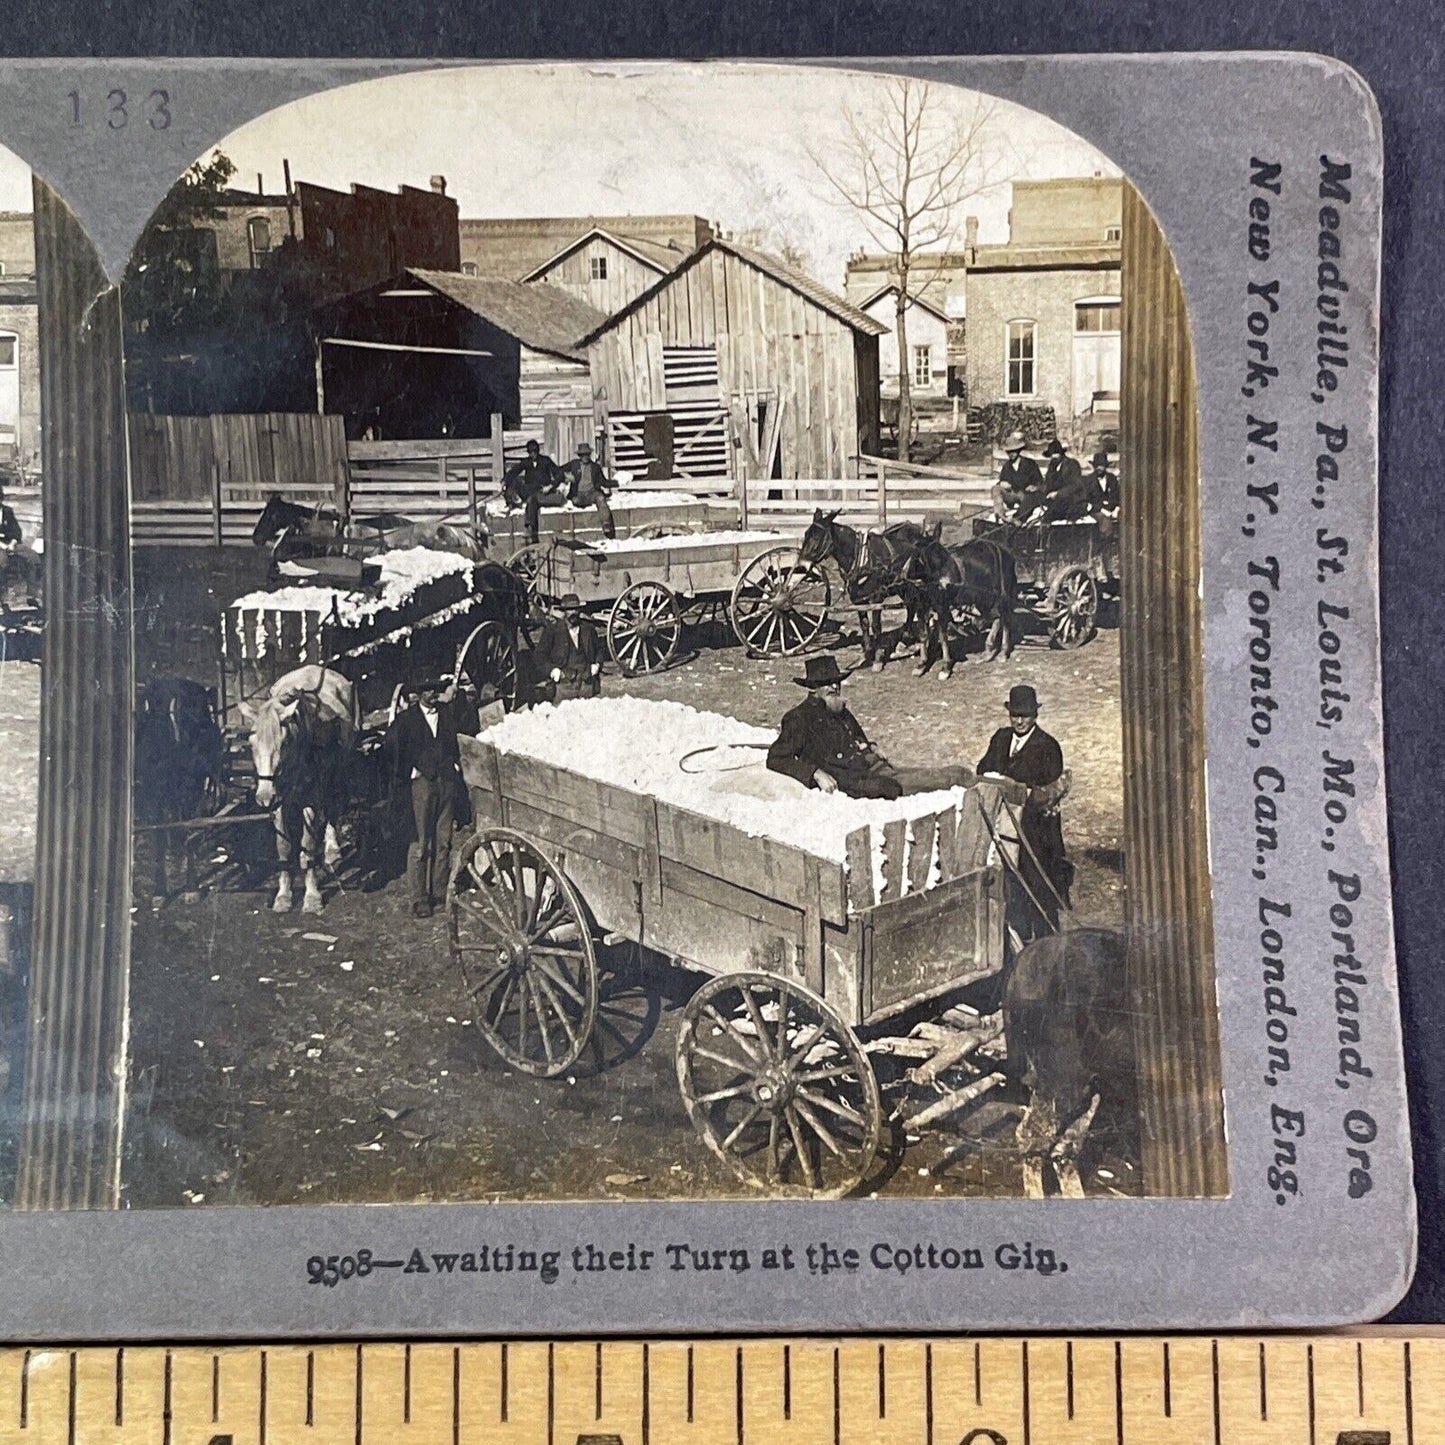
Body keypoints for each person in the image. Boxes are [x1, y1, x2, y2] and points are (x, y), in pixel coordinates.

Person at [767, 654, 974, 800]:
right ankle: (990, 787)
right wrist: (815, 773)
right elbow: (776, 758)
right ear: (812, 687)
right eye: (826, 683)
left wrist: (872, 747)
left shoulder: (838, 708)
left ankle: (991, 783)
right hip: (859, 779)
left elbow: (858, 739)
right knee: (948, 779)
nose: (834, 687)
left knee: (952, 772)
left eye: (836, 682)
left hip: (876, 767)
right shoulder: (799, 718)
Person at [976, 684, 1072, 943]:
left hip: (1035, 833)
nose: (1019, 720)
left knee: (1038, 890)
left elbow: (1048, 795)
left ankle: (1047, 944)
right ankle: (1018, 940)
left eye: (1025, 715)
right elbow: (983, 769)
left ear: (1035, 715)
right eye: (1015, 714)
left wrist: (1021, 792)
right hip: (1005, 828)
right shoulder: (1000, 739)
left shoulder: (1048, 746)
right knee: (1010, 887)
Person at [385, 674, 480, 919]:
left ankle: (438, 893)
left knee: (444, 841)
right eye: (427, 690)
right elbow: (393, 749)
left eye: (435, 689)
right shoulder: (407, 721)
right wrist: (411, 771)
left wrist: (466, 698)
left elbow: (466, 731)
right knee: (421, 842)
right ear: (419, 693)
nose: (432, 694)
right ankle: (419, 897)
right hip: (422, 785)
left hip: (446, 783)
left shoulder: (447, 716)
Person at [533, 593, 603, 702]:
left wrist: (597, 664)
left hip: (586, 685)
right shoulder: (553, 630)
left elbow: (599, 649)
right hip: (563, 686)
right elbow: (539, 656)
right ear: (564, 612)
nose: (573, 613)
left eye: (576, 609)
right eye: (569, 610)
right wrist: (552, 670)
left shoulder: (588, 629)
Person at [501, 439, 566, 544]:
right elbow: (514, 471)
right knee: (515, 482)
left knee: (532, 501)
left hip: (543, 491)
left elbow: (559, 474)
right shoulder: (526, 462)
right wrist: (504, 481)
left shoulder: (546, 461)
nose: (533, 454)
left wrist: (551, 486)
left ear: (538, 451)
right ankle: (513, 501)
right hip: (529, 490)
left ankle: (530, 528)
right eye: (531, 452)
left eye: (535, 451)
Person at [559, 442, 617, 539]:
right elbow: (558, 470)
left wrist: (617, 482)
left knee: (601, 498)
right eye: (583, 455)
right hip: (578, 494)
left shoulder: (595, 467)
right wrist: (566, 476)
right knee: (575, 501)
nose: (585, 457)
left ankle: (606, 525)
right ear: (579, 456)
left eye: (587, 454)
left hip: (592, 493)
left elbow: (604, 482)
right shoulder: (574, 464)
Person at [992, 432, 1047, 522]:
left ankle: (1018, 519)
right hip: (1012, 494)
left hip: (1025, 496)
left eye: (1013, 451)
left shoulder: (1030, 464)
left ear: (1018, 451)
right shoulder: (1007, 466)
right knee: (996, 488)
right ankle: (1000, 514)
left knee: (1030, 498)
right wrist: (1001, 483)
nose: (1011, 454)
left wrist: (1034, 487)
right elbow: (1002, 480)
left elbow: (1040, 482)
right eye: (1008, 452)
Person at [1088, 450, 1120, 517]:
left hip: (1113, 511)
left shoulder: (1112, 478)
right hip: (1096, 512)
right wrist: (1102, 510)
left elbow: (1118, 496)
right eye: (1096, 465)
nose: (1098, 468)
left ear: (1105, 466)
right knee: (1103, 519)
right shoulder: (1088, 480)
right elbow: (1087, 502)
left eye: (1101, 465)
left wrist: (1116, 510)